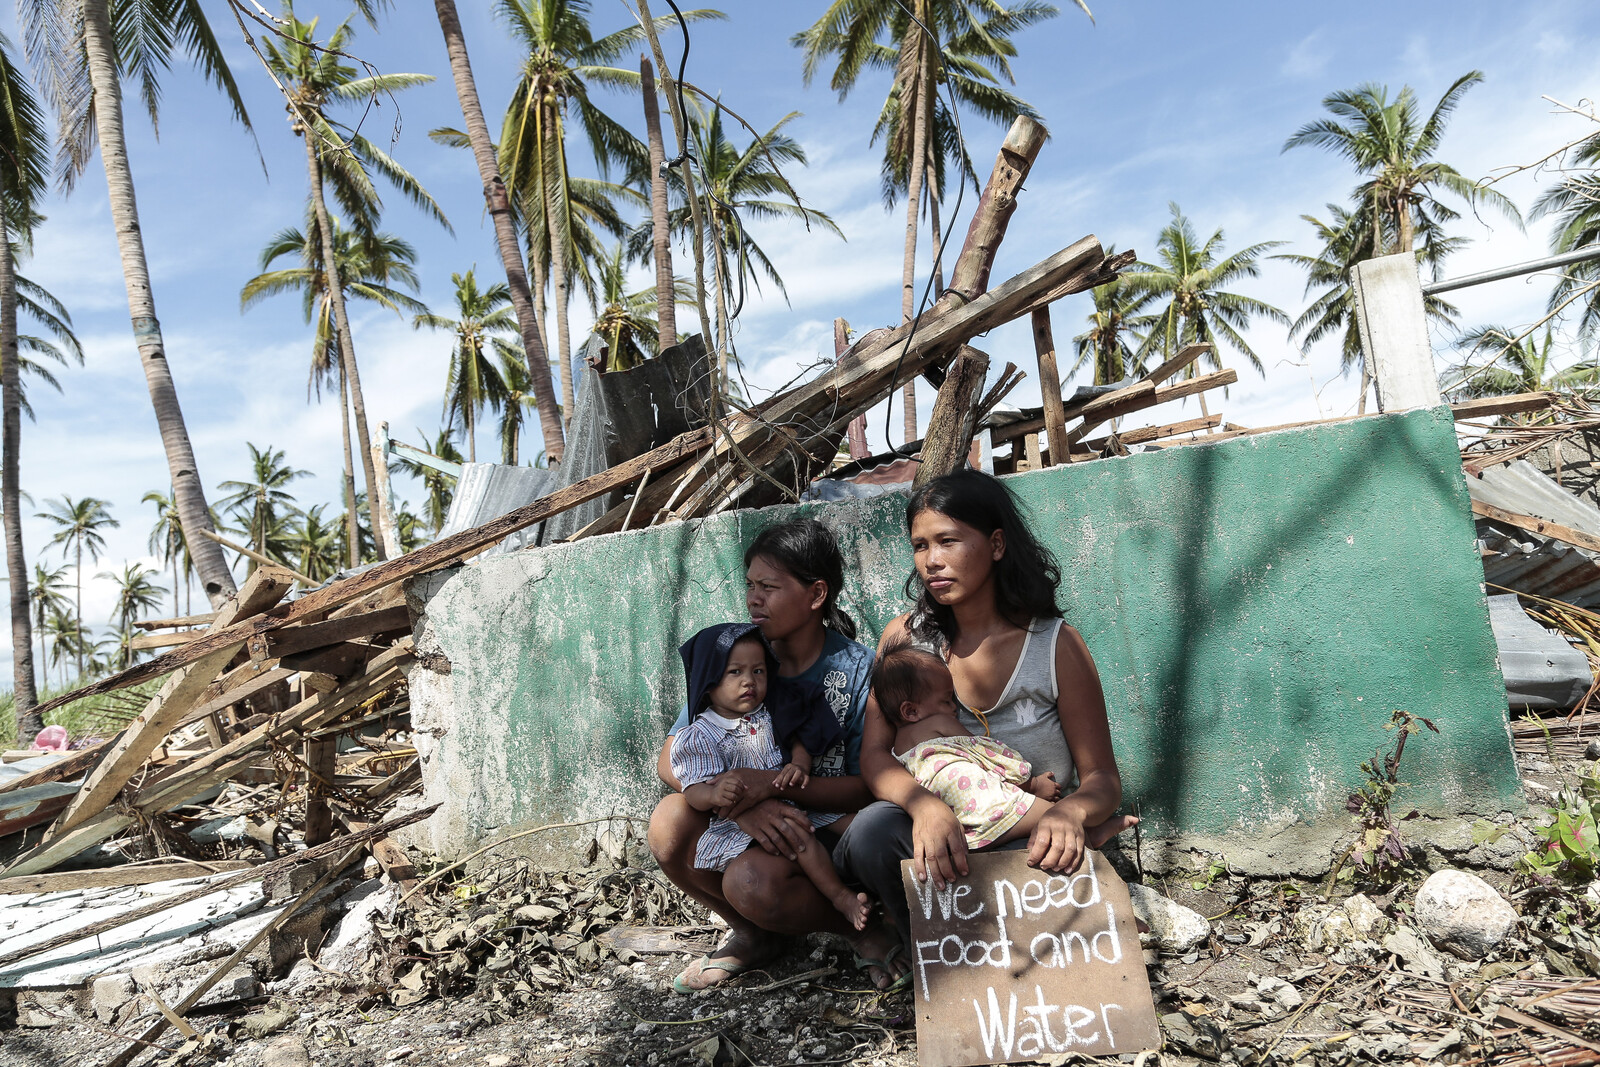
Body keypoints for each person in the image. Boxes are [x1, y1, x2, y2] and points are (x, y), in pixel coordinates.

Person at [835, 469, 1138, 941]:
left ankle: (1000, 944)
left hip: (1026, 832)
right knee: (872, 832)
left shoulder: (1055, 646)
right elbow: (874, 757)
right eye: (920, 546)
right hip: (933, 837)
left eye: (949, 541)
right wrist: (925, 807)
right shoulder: (904, 641)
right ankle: (937, 955)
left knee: (1043, 853)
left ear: (996, 545)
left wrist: (1071, 814)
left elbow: (1102, 779)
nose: (932, 561)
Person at [648, 518, 907, 993]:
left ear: (816, 595)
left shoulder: (857, 670)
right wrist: (743, 805)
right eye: (750, 585)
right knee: (669, 822)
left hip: (831, 831)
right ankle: (755, 934)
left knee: (752, 882)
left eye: (769, 586)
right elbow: (672, 757)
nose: (754, 598)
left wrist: (771, 788)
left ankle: (863, 929)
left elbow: (868, 782)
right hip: (750, 820)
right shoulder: (740, 654)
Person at [671, 623, 870, 931]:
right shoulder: (699, 735)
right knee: (801, 840)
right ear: (709, 681)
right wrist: (714, 795)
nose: (749, 681)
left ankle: (877, 894)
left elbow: (797, 738)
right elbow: (691, 788)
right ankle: (840, 898)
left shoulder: (769, 711)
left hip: (788, 799)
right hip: (738, 822)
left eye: (759, 672)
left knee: (857, 827)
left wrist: (800, 765)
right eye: (734, 672)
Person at [872, 638, 1062, 849]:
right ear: (911, 711)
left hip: (958, 826)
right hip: (989, 806)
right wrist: (1033, 785)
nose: (954, 708)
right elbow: (987, 755)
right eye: (946, 700)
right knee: (1062, 821)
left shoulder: (897, 750)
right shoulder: (940, 723)